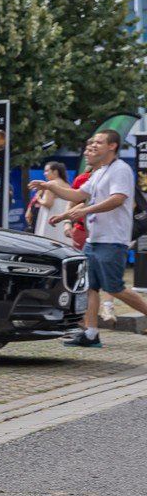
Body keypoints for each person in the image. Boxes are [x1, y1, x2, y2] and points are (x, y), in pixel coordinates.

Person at [31, 129, 142, 348]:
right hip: (94, 239)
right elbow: (78, 196)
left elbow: (118, 199)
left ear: (112, 146)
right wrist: (50, 188)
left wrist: (86, 211)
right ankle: (91, 334)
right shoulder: (99, 172)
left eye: (99, 142)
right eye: (92, 142)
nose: (93, 146)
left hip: (112, 239)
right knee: (90, 287)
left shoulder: (120, 169)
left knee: (116, 288)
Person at [26, 161, 74, 244]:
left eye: (47, 171)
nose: (45, 174)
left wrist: (38, 199)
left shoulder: (51, 184)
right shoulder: (67, 184)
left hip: (51, 218)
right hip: (63, 218)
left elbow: (48, 203)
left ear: (55, 172)